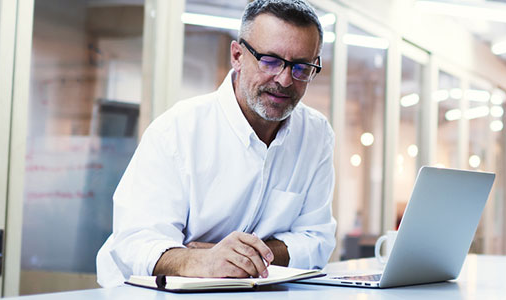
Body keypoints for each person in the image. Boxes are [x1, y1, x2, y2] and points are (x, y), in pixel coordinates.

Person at [96, 0, 336, 287]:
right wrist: (199, 261)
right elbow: (133, 242)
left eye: (301, 67)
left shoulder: (316, 134)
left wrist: (236, 257)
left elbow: (317, 240)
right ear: (237, 55)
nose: (284, 79)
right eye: (269, 60)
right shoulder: (177, 130)